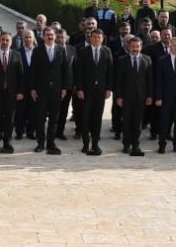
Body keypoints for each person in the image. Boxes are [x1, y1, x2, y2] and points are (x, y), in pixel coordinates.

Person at [30, 28, 70, 154]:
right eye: (47, 35)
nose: (50, 37)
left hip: (56, 90)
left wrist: (64, 88)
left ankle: (51, 143)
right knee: (40, 118)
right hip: (41, 90)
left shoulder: (61, 50)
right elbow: (33, 71)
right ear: (43, 37)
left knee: (54, 118)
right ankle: (41, 143)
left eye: (52, 35)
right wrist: (32, 89)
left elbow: (65, 70)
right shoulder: (37, 51)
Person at [0, 31, 25, 154]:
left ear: (11, 42)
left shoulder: (17, 55)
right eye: (3, 40)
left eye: (7, 40)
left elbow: (21, 76)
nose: (5, 42)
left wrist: (20, 92)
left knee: (10, 120)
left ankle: (7, 143)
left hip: (11, 94)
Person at [73, 28, 111, 156]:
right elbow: (78, 72)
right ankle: (85, 144)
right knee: (85, 117)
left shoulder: (107, 51)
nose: (96, 39)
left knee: (97, 118)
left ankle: (95, 144)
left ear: (102, 38)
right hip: (86, 90)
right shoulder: (83, 51)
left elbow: (110, 71)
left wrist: (108, 89)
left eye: (99, 37)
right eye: (94, 37)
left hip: (100, 91)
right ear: (90, 38)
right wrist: (79, 88)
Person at [114, 35, 152, 156]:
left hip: (141, 97)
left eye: (137, 46)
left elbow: (150, 80)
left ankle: (136, 145)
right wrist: (118, 96)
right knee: (126, 122)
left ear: (141, 47)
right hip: (126, 97)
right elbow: (118, 80)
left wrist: (150, 96)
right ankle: (126, 145)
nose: (135, 49)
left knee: (137, 122)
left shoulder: (147, 60)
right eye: (133, 47)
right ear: (129, 47)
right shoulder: (122, 60)